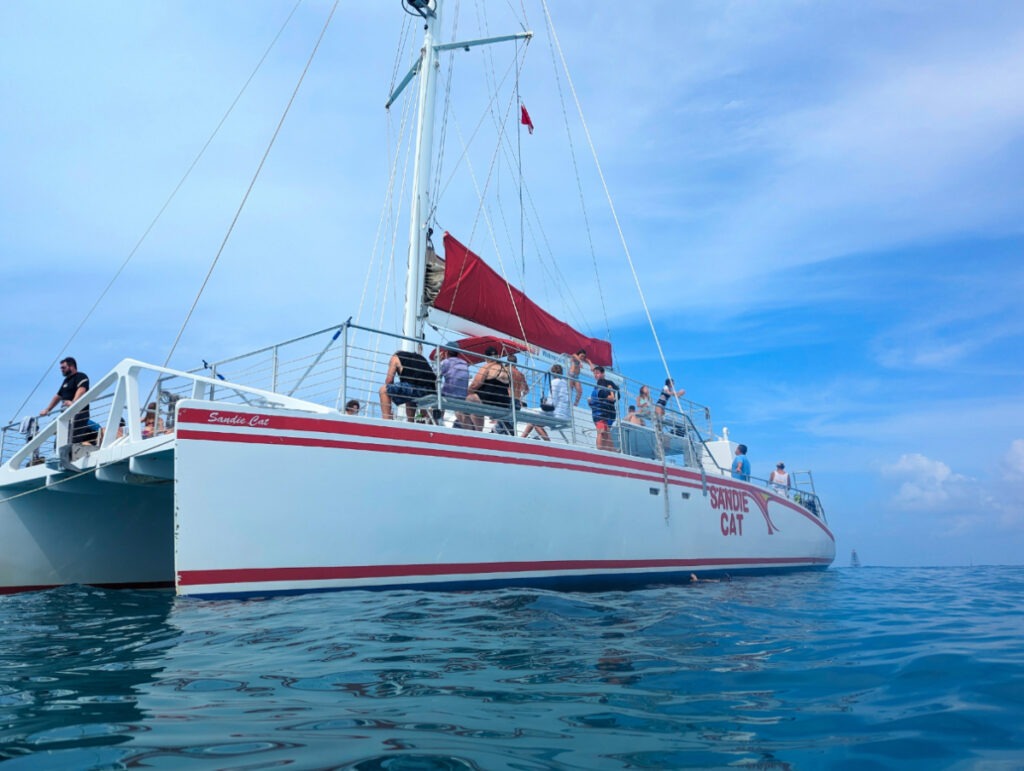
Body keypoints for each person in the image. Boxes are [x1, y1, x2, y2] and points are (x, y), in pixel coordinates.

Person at [40, 357, 97, 444]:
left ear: (72, 366)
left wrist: (73, 403)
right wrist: (48, 409)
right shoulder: (66, 381)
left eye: (63, 367)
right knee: (61, 441)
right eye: (61, 368)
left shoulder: (81, 376)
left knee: (73, 439)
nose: (61, 370)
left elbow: (82, 389)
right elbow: (58, 396)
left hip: (79, 414)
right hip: (67, 416)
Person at [379, 349, 437, 421]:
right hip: (432, 391)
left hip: (416, 389)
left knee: (384, 390)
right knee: (409, 395)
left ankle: (386, 419)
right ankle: (411, 421)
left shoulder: (395, 357)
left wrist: (391, 397)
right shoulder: (420, 358)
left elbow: (389, 380)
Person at [465, 347, 511, 431]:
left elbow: (475, 385)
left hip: (489, 400)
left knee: (469, 399)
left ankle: (477, 430)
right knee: (476, 403)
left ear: (486, 357)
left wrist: (465, 393)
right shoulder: (506, 369)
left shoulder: (488, 367)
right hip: (504, 402)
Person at [521, 363, 569, 440]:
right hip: (564, 413)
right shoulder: (565, 383)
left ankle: (522, 439)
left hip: (555, 413)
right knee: (533, 421)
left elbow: (551, 403)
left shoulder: (554, 382)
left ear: (552, 372)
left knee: (533, 417)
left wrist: (545, 403)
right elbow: (558, 399)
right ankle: (522, 438)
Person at [588, 365, 619, 451]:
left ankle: (610, 449)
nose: (595, 375)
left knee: (606, 432)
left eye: (597, 373)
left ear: (603, 373)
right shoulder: (599, 390)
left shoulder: (598, 388)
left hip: (603, 414)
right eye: (594, 374)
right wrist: (611, 391)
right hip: (601, 414)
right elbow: (612, 398)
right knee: (603, 432)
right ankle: (604, 449)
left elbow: (616, 396)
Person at [438, 348, 469, 428]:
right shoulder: (464, 363)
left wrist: (438, 362)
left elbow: (436, 376)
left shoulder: (446, 362)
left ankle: (439, 422)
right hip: (463, 396)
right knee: (459, 410)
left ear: (446, 352)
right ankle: (467, 428)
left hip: (449, 395)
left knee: (437, 396)